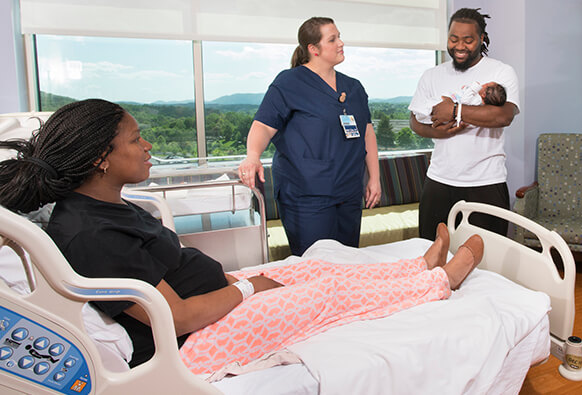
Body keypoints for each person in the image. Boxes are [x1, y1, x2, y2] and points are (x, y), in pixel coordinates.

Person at [0, 99, 484, 374]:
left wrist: (229, 279)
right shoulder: (89, 230)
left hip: (207, 296)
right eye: (136, 139)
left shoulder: (102, 205)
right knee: (328, 293)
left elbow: (167, 273)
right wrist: (248, 288)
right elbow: (178, 315)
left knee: (313, 267)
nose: (148, 145)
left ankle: (417, 265)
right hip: (189, 339)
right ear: (100, 158)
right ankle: (439, 282)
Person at [237, 17, 380, 256]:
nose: (341, 43)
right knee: (315, 266)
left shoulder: (353, 87)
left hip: (349, 193)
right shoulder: (289, 83)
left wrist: (374, 178)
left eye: (339, 36)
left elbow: (367, 133)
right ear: (313, 49)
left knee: (349, 263)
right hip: (307, 196)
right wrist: (252, 156)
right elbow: (263, 125)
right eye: (332, 39)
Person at [408, 8, 520, 240]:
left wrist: (455, 110)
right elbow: (414, 122)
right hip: (438, 180)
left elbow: (503, 116)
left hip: (486, 182)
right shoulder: (432, 75)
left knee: (486, 260)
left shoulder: (500, 72)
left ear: (481, 39)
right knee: (432, 251)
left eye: (468, 40)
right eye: (453, 39)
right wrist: (439, 132)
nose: (460, 46)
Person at [411, 81, 507, 126]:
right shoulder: (478, 102)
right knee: (430, 108)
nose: (482, 84)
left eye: (485, 85)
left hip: (448, 107)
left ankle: (421, 111)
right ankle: (421, 112)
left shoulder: (477, 100)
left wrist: (473, 88)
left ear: (484, 94)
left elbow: (464, 101)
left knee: (431, 108)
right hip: (450, 106)